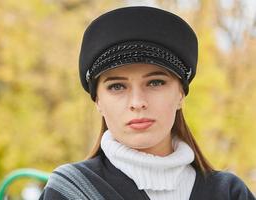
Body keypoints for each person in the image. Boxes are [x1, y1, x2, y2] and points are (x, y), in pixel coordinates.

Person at [39, 6, 255, 200]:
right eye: (117, 86)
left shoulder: (228, 193)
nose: (137, 102)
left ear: (180, 94)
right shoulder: (68, 192)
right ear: (98, 101)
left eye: (155, 82)